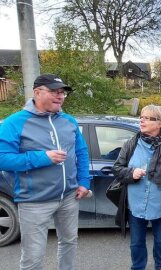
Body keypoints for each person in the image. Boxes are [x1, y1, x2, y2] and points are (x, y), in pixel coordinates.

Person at [0, 74, 92, 270]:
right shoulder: (14, 123)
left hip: (69, 197)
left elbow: (82, 152)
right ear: (37, 92)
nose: (59, 96)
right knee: (33, 256)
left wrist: (84, 181)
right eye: (53, 92)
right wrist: (43, 158)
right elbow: (2, 158)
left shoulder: (68, 120)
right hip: (34, 201)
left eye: (62, 93)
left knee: (69, 242)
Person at [112, 104, 161, 270]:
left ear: (160, 123)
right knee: (136, 243)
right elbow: (117, 169)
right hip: (135, 205)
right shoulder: (132, 144)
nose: (142, 120)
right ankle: (138, 267)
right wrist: (130, 173)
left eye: (148, 118)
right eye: (141, 117)